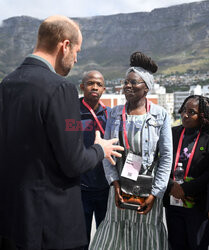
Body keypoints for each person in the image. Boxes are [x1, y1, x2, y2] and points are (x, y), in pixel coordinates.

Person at [0, 15, 123, 250]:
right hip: (50, 225)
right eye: (77, 51)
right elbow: (74, 162)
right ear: (65, 45)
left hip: (11, 219)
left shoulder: (6, 84)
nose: (76, 59)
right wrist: (100, 149)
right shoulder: (60, 88)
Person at [90, 51, 173, 250]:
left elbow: (166, 156)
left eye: (133, 82)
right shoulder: (115, 113)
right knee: (113, 237)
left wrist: (156, 193)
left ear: (146, 88)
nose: (127, 86)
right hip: (120, 186)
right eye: (126, 82)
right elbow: (107, 153)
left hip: (148, 187)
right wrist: (114, 184)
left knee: (146, 235)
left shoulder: (160, 115)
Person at [163, 95, 209, 250]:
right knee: (176, 245)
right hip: (173, 202)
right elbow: (158, 163)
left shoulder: (207, 137)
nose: (185, 115)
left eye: (191, 112)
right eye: (183, 110)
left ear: (202, 115)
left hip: (197, 205)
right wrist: (171, 186)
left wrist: (186, 189)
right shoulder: (171, 133)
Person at [79, 70, 111, 249]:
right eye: (91, 83)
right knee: (80, 239)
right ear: (82, 86)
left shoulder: (109, 115)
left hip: (105, 188)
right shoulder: (71, 112)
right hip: (80, 188)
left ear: (104, 89)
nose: (95, 87)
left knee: (105, 238)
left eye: (99, 84)